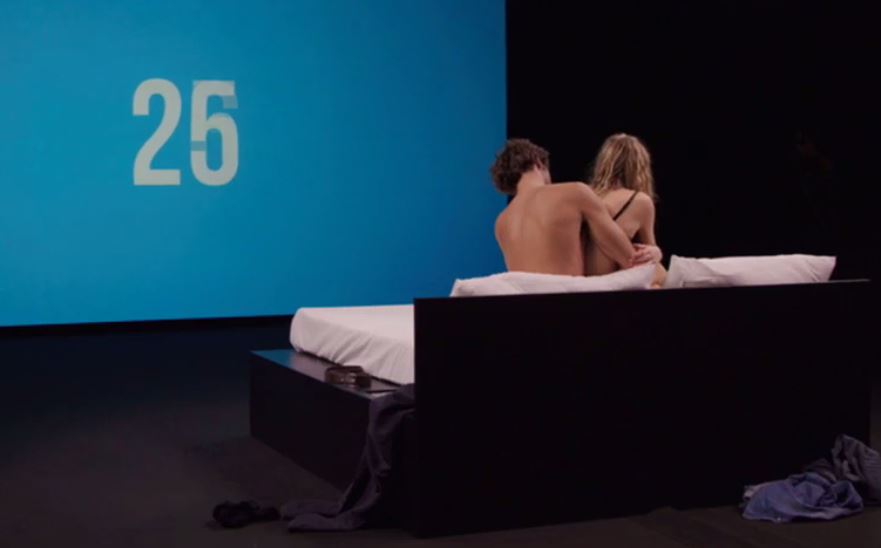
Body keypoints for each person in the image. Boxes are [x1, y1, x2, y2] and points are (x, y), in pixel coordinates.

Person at [490, 139, 661, 276]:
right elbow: (632, 261)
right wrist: (655, 254)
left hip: (523, 308)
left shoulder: (501, 222)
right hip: (570, 305)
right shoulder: (574, 192)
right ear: (538, 163)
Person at [583, 134, 666, 286]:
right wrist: (657, 253)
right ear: (640, 168)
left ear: (602, 163)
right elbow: (649, 254)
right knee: (660, 274)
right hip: (608, 282)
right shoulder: (640, 201)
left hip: (582, 276)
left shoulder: (584, 194)